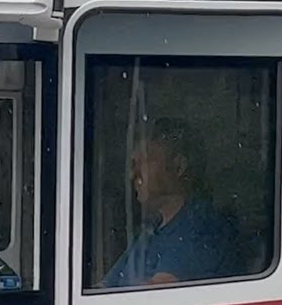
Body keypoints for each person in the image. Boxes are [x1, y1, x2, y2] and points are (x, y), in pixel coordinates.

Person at [100, 117, 235, 288]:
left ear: (178, 167)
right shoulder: (151, 230)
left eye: (143, 162)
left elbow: (155, 295)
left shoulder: (202, 226)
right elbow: (105, 288)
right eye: (133, 165)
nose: (132, 175)